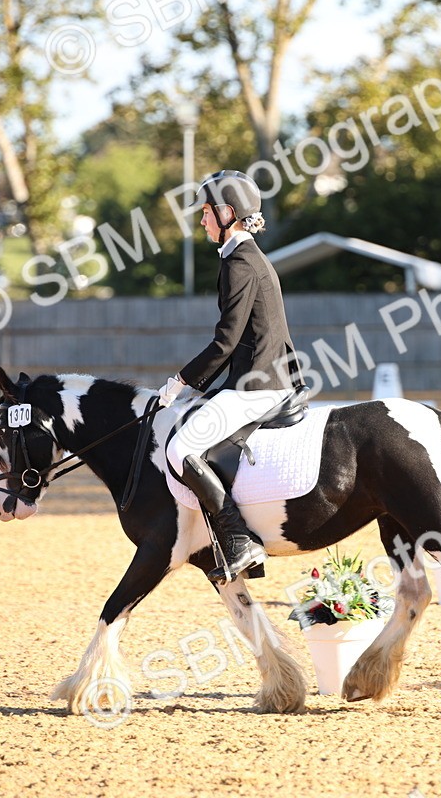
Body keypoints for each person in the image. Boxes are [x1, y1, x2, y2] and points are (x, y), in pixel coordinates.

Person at [158, 170, 301, 584]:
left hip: (259, 384)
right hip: (262, 375)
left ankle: (239, 540)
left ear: (227, 213)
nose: (202, 221)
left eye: (206, 212)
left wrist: (181, 383)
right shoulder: (245, 257)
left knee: (180, 447)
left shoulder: (240, 262)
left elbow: (225, 342)